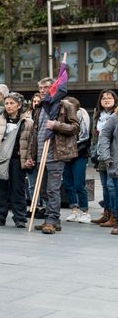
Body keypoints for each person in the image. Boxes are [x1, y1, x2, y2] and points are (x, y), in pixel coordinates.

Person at [29, 57, 78, 234]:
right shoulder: (40, 106)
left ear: (54, 88)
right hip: (40, 154)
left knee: (53, 190)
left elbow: (75, 127)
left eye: (45, 88)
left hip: (56, 154)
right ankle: (53, 218)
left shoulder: (65, 105)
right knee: (41, 190)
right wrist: (31, 155)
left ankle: (50, 220)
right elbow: (35, 132)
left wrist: (56, 125)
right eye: (40, 88)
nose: (42, 91)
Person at [0, 92, 34, 227]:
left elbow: (31, 143)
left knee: (18, 189)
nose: (9, 106)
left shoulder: (27, 122)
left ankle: (20, 218)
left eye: (12, 103)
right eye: (7, 103)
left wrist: (29, 158)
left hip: (17, 159)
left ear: (19, 105)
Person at [63, 96, 91, 224]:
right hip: (65, 154)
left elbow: (85, 137)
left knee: (79, 184)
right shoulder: (63, 117)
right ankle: (74, 210)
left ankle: (85, 212)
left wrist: (73, 150)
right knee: (68, 184)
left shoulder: (83, 115)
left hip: (80, 153)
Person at [93, 90, 118, 233]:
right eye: (103, 98)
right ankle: (108, 213)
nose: (106, 100)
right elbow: (98, 137)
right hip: (102, 155)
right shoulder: (99, 115)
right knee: (106, 186)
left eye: (109, 98)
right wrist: (95, 152)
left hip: (112, 156)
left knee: (112, 186)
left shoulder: (114, 115)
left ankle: (114, 216)